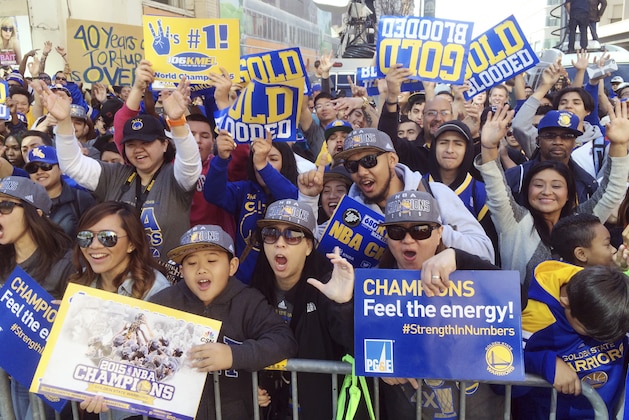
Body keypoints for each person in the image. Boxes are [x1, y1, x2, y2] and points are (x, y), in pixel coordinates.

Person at [35, 72, 202, 265]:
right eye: (130, 144)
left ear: (164, 145)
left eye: (146, 142)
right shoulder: (114, 175)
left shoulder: (176, 178)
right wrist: (64, 123)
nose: (138, 149)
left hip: (166, 285)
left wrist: (178, 123)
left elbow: (190, 164)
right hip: (120, 278)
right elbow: (73, 164)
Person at [476, 104, 629, 306]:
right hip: (523, 325)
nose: (547, 192)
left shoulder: (581, 223)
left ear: (568, 194)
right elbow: (495, 186)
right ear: (527, 191)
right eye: (538, 185)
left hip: (576, 324)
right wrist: (488, 147)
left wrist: (619, 144)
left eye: (556, 186)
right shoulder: (514, 223)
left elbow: (611, 191)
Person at [376, 190, 504, 419]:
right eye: (396, 231)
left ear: (439, 233)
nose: (408, 239)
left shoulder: (466, 272)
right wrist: (379, 363)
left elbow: (517, 298)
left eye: (420, 231)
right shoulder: (374, 286)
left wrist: (459, 257)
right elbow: (357, 339)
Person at [147, 224, 297, 419]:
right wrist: (102, 393)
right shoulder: (163, 303)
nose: (201, 269)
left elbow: (284, 340)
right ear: (182, 270)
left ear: (232, 266)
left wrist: (234, 355)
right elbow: (131, 357)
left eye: (211, 260)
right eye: (191, 263)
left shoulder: (248, 301)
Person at [250, 199, 356, 420]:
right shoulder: (256, 288)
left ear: (308, 246)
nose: (280, 243)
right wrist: (254, 387)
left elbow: (353, 346)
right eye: (271, 233)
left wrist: (343, 304)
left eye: (292, 235)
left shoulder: (328, 286)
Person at [70, 201, 172, 420]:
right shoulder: (81, 288)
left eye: (107, 237)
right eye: (85, 237)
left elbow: (157, 361)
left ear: (132, 244)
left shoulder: (157, 289)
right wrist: (66, 325)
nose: (94, 246)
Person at [334, 127, 495, 262]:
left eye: (369, 161)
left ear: (392, 159)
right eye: (352, 165)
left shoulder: (435, 193)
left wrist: (432, 233)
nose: (361, 172)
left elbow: (485, 252)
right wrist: (309, 197)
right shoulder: (350, 212)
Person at [0, 176, 74, 420]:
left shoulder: (67, 264)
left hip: (51, 383)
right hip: (13, 378)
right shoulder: (3, 262)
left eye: (6, 206)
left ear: (36, 214)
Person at [517, 264, 629, 419]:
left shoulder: (615, 306)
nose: (598, 339)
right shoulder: (535, 321)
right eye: (590, 332)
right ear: (566, 301)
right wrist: (546, 363)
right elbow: (502, 368)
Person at [203, 130, 299, 284]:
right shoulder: (244, 190)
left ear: (286, 162)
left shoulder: (294, 190)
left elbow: (292, 201)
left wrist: (263, 165)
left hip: (279, 287)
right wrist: (221, 159)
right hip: (243, 285)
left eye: (272, 159)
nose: (262, 161)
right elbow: (213, 194)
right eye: (258, 157)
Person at [25, 145, 96, 237]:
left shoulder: (81, 199)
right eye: (33, 168)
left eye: (46, 166)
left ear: (61, 169)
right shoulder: (25, 202)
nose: (39, 172)